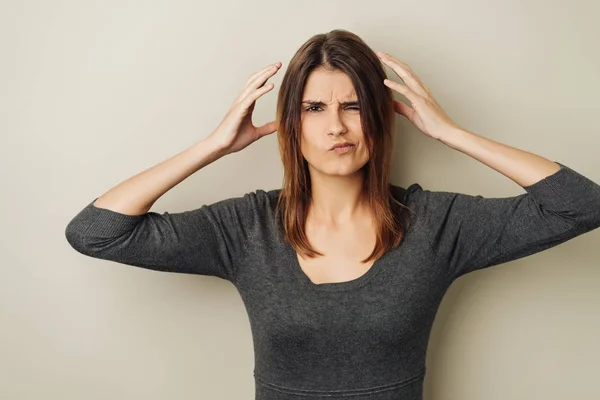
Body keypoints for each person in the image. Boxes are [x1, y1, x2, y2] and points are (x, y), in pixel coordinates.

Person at [65, 29, 600, 399]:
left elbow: (582, 205)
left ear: (382, 117)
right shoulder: (245, 230)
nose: (337, 127)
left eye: (353, 106)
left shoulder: (437, 225)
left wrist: (450, 133)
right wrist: (214, 146)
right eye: (314, 109)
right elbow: (96, 233)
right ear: (291, 125)